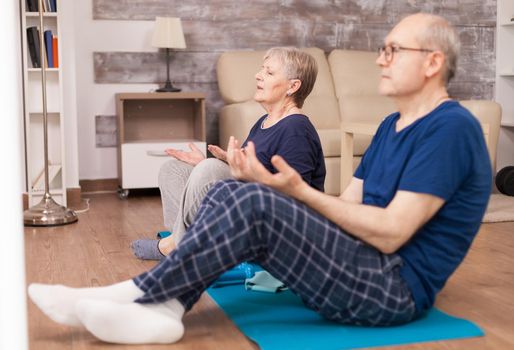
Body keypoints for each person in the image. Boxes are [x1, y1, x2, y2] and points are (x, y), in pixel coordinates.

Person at [28, 13, 492, 345]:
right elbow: (349, 206)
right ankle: (165, 309)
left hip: (391, 291)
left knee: (246, 198)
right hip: (355, 265)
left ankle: (129, 295)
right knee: (233, 189)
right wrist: (270, 191)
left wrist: (293, 193)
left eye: (394, 50)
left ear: (432, 62)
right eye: (382, 50)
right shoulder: (392, 127)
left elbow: (390, 234)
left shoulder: (450, 128)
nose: (380, 60)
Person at [131, 46, 326, 260]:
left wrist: (217, 169)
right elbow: (245, 171)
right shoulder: (264, 122)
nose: (258, 75)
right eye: (262, 69)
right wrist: (216, 163)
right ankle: (187, 242)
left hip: (276, 228)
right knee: (174, 169)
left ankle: (178, 245)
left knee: (210, 168)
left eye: (269, 73)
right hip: (247, 206)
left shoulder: (296, 129)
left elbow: (297, 197)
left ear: (293, 86)